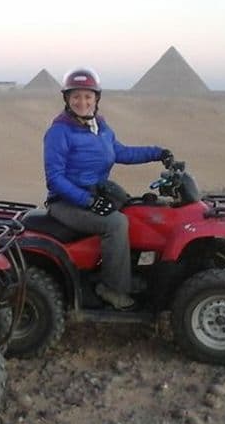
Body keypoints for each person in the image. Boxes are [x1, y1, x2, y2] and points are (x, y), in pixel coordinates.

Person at [43, 67, 172, 310]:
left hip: (96, 189)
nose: (83, 102)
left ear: (96, 99)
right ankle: (111, 288)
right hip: (66, 201)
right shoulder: (59, 132)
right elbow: (55, 179)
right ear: (67, 100)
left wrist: (158, 153)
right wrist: (88, 201)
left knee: (135, 210)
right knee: (115, 224)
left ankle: (123, 275)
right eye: (76, 97)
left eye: (88, 96)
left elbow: (120, 152)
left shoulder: (99, 127)